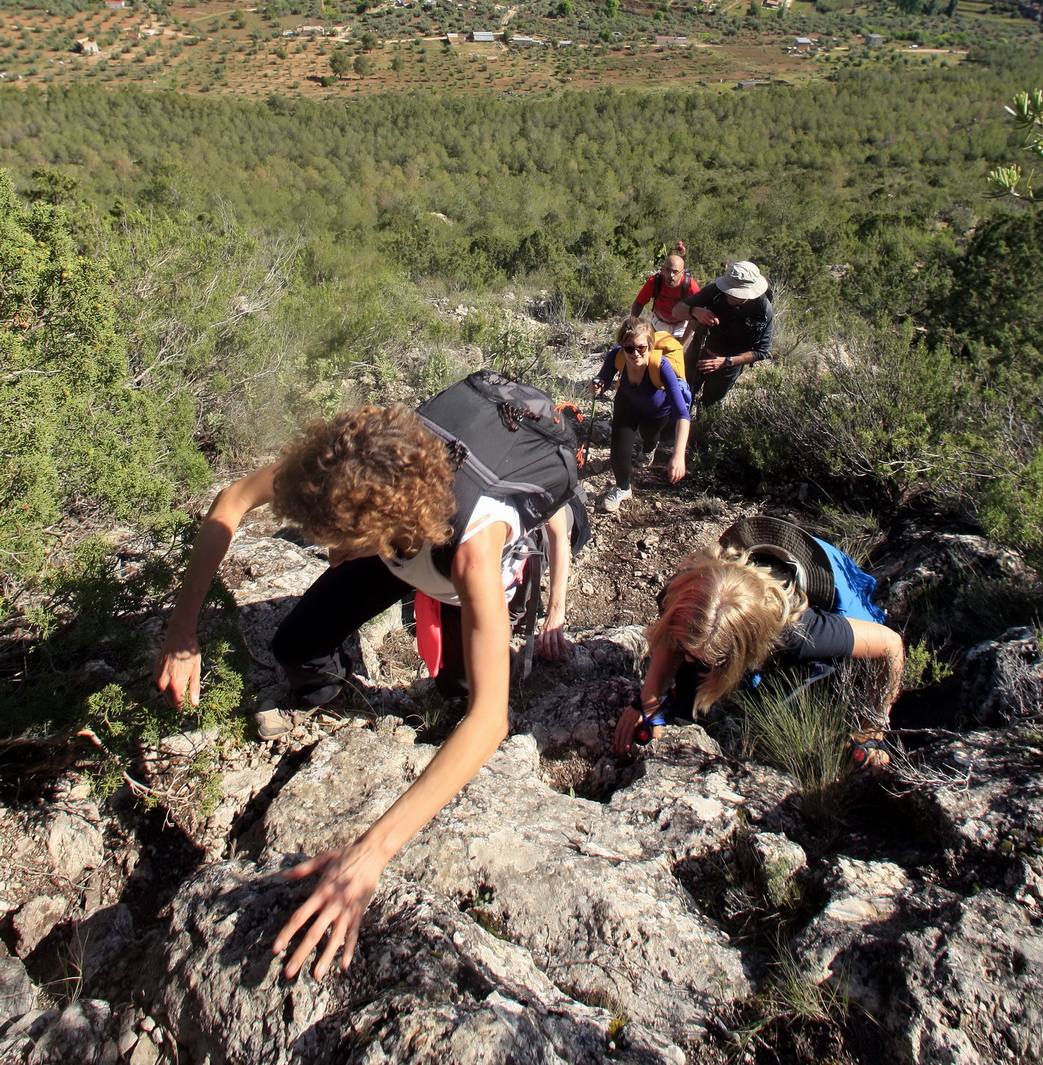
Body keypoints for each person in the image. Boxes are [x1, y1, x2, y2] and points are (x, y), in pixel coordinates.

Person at [153, 402, 575, 981]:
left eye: (337, 540)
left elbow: (489, 721)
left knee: (457, 693)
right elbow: (232, 500)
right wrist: (182, 632)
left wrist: (370, 854)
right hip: (401, 543)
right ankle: (338, 692)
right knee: (295, 647)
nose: (327, 554)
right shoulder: (347, 468)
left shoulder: (474, 553)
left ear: (380, 522)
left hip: (454, 567)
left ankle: (447, 632)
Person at [613, 527, 904, 767]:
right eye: (687, 649)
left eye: (707, 657)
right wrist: (648, 700)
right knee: (688, 689)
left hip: (829, 581)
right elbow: (671, 640)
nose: (686, 658)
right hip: (762, 569)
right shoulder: (684, 591)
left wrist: (873, 726)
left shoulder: (800, 634)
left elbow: (891, 645)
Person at [590, 316, 691, 514]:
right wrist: (597, 384)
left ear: (650, 346)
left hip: (657, 412)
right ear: (622, 346)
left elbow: (682, 414)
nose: (635, 353)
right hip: (627, 404)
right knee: (619, 453)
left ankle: (649, 448)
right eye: (629, 348)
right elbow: (603, 378)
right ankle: (622, 488)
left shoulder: (662, 367)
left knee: (649, 435)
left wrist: (678, 455)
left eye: (641, 348)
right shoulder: (617, 356)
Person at [674, 259, 773, 407]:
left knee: (710, 405)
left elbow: (763, 351)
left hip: (728, 367)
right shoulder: (715, 291)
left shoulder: (763, 311)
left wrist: (726, 361)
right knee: (681, 395)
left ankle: (699, 429)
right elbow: (677, 310)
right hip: (699, 352)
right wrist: (695, 311)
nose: (728, 293)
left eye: (734, 292)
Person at [631, 244, 701, 342]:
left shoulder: (691, 287)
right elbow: (639, 303)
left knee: (675, 354)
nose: (670, 275)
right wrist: (632, 323)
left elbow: (695, 318)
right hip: (659, 323)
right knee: (655, 353)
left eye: (675, 272)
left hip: (681, 326)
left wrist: (682, 344)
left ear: (682, 272)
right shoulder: (654, 282)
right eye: (668, 270)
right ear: (663, 269)